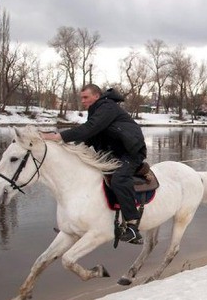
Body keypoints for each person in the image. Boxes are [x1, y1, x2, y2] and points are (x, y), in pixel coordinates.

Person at [40, 84, 147, 244]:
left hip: (130, 152)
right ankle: (82, 222)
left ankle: (132, 226)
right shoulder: (96, 110)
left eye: (85, 97)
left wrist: (58, 136)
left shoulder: (107, 107)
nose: (82, 101)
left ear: (96, 96)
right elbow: (90, 136)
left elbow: (89, 129)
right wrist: (68, 148)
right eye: (81, 97)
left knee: (119, 179)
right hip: (114, 152)